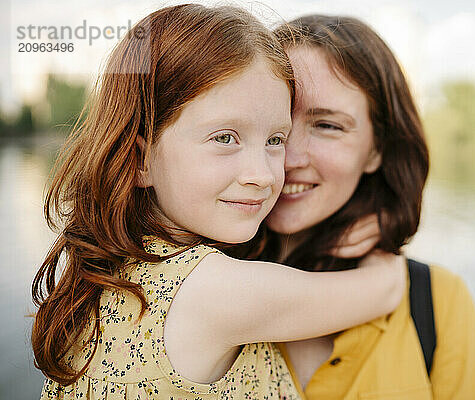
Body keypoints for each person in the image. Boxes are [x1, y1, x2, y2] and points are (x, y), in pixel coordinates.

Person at [30, 6, 407, 399]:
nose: (261, 174)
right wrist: (387, 258)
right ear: (141, 160)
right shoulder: (218, 293)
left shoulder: (111, 271)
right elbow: (383, 291)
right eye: (225, 138)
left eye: (275, 140)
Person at [260, 15, 475, 399]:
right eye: (275, 120)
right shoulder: (175, 276)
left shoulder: (436, 301)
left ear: (376, 150)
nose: (288, 158)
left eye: (327, 126)